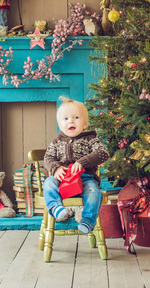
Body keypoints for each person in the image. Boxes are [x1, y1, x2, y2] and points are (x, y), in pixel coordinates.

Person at [43, 97, 109, 234]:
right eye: (65, 119)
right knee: (48, 182)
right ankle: (55, 207)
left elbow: (103, 153)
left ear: (85, 123)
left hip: (85, 179)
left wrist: (82, 162)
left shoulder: (90, 139)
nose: (71, 121)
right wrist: (56, 168)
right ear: (60, 125)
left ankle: (88, 220)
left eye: (76, 117)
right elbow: (48, 157)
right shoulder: (56, 142)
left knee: (93, 191)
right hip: (62, 181)